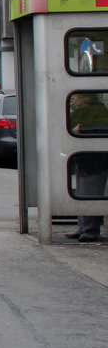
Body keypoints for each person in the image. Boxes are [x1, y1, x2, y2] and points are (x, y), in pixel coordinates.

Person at [65, 92, 108, 242]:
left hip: (95, 160)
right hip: (82, 158)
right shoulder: (80, 112)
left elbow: (103, 129)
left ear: (87, 98)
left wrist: (82, 130)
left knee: (90, 193)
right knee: (82, 193)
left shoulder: (99, 111)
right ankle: (83, 226)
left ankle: (90, 230)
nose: (75, 100)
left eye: (77, 97)